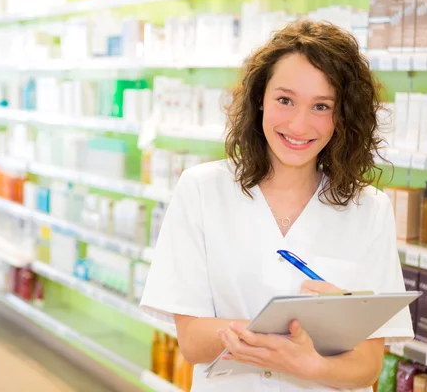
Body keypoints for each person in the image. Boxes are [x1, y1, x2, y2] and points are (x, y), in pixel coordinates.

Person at [139, 19, 412, 392]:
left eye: (321, 106)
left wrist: (310, 364)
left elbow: (368, 365)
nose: (299, 125)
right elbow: (192, 342)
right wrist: (281, 337)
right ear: (259, 101)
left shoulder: (370, 209)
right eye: (285, 100)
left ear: (343, 117)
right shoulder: (203, 190)